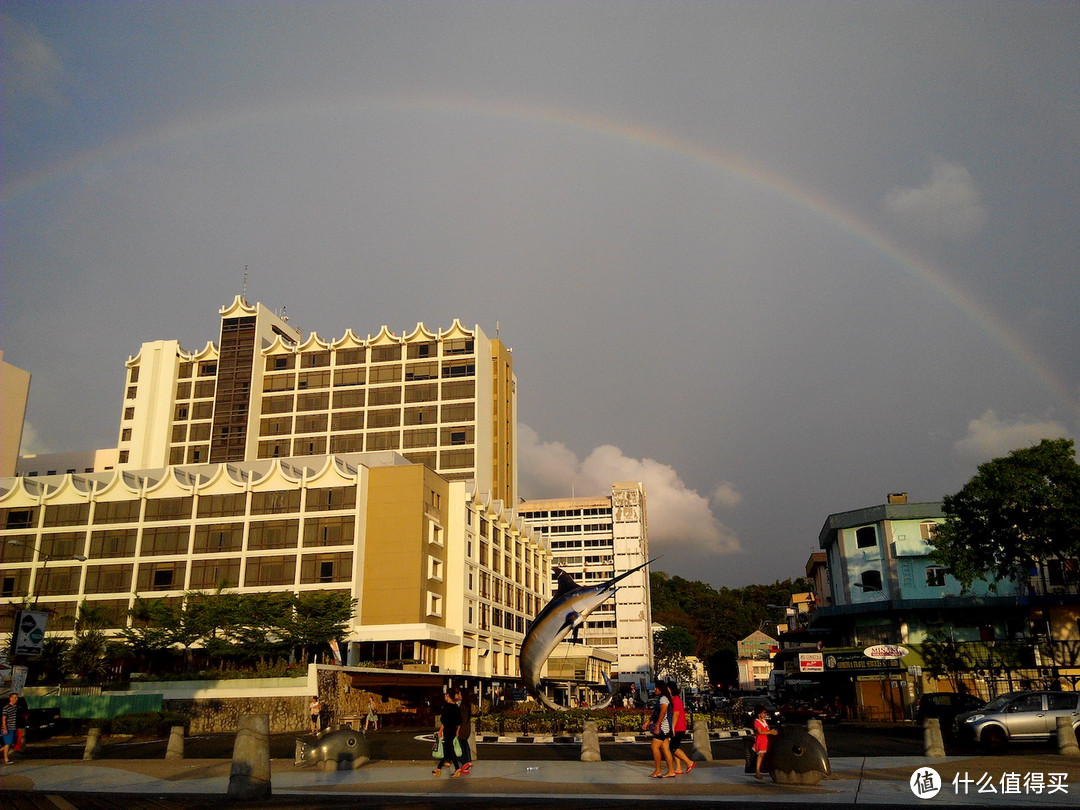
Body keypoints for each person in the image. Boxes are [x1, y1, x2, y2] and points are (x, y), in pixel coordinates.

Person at [643, 682, 675, 778]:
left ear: (661, 689)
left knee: (654, 747)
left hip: (663, 727)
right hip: (664, 727)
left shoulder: (664, 699)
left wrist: (657, 724)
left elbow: (663, 712)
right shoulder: (661, 699)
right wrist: (648, 721)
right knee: (665, 748)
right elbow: (656, 713)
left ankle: (658, 770)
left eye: (656, 688)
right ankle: (671, 771)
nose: (655, 690)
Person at [433, 690, 465, 777]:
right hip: (453, 730)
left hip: (447, 730)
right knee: (448, 749)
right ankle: (439, 768)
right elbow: (459, 721)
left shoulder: (446, 707)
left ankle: (457, 768)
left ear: (447, 696)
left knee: (449, 749)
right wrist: (457, 731)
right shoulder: (456, 707)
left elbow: (444, 721)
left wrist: (440, 731)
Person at [665, 680, 695, 775]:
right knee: (675, 746)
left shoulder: (676, 700)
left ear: (671, 689)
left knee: (673, 747)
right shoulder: (674, 699)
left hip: (679, 727)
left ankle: (689, 762)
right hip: (678, 726)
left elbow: (676, 714)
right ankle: (678, 768)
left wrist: (672, 727)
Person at [752, 704, 778, 779]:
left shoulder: (764, 721)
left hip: (766, 740)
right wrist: (770, 732)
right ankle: (757, 771)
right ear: (758, 714)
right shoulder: (757, 722)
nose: (764, 715)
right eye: (762, 713)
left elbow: (766, 730)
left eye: (764, 713)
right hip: (761, 740)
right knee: (761, 755)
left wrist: (771, 732)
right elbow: (760, 732)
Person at [454, 687, 473, 775]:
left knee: (461, 746)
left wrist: (457, 730)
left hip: (462, 729)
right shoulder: (467, 705)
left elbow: (460, 720)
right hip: (466, 728)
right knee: (465, 745)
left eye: (460, 694)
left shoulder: (463, 706)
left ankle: (465, 762)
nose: (459, 696)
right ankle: (468, 761)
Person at [2, 693, 18, 765]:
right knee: (7, 743)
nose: (16, 699)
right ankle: (6, 759)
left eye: (17, 698)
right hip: (7, 728)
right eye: (15, 697)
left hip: (13, 727)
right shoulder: (6, 707)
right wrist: (5, 728)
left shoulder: (15, 707)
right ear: (10, 698)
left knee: (11, 743)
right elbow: (4, 718)